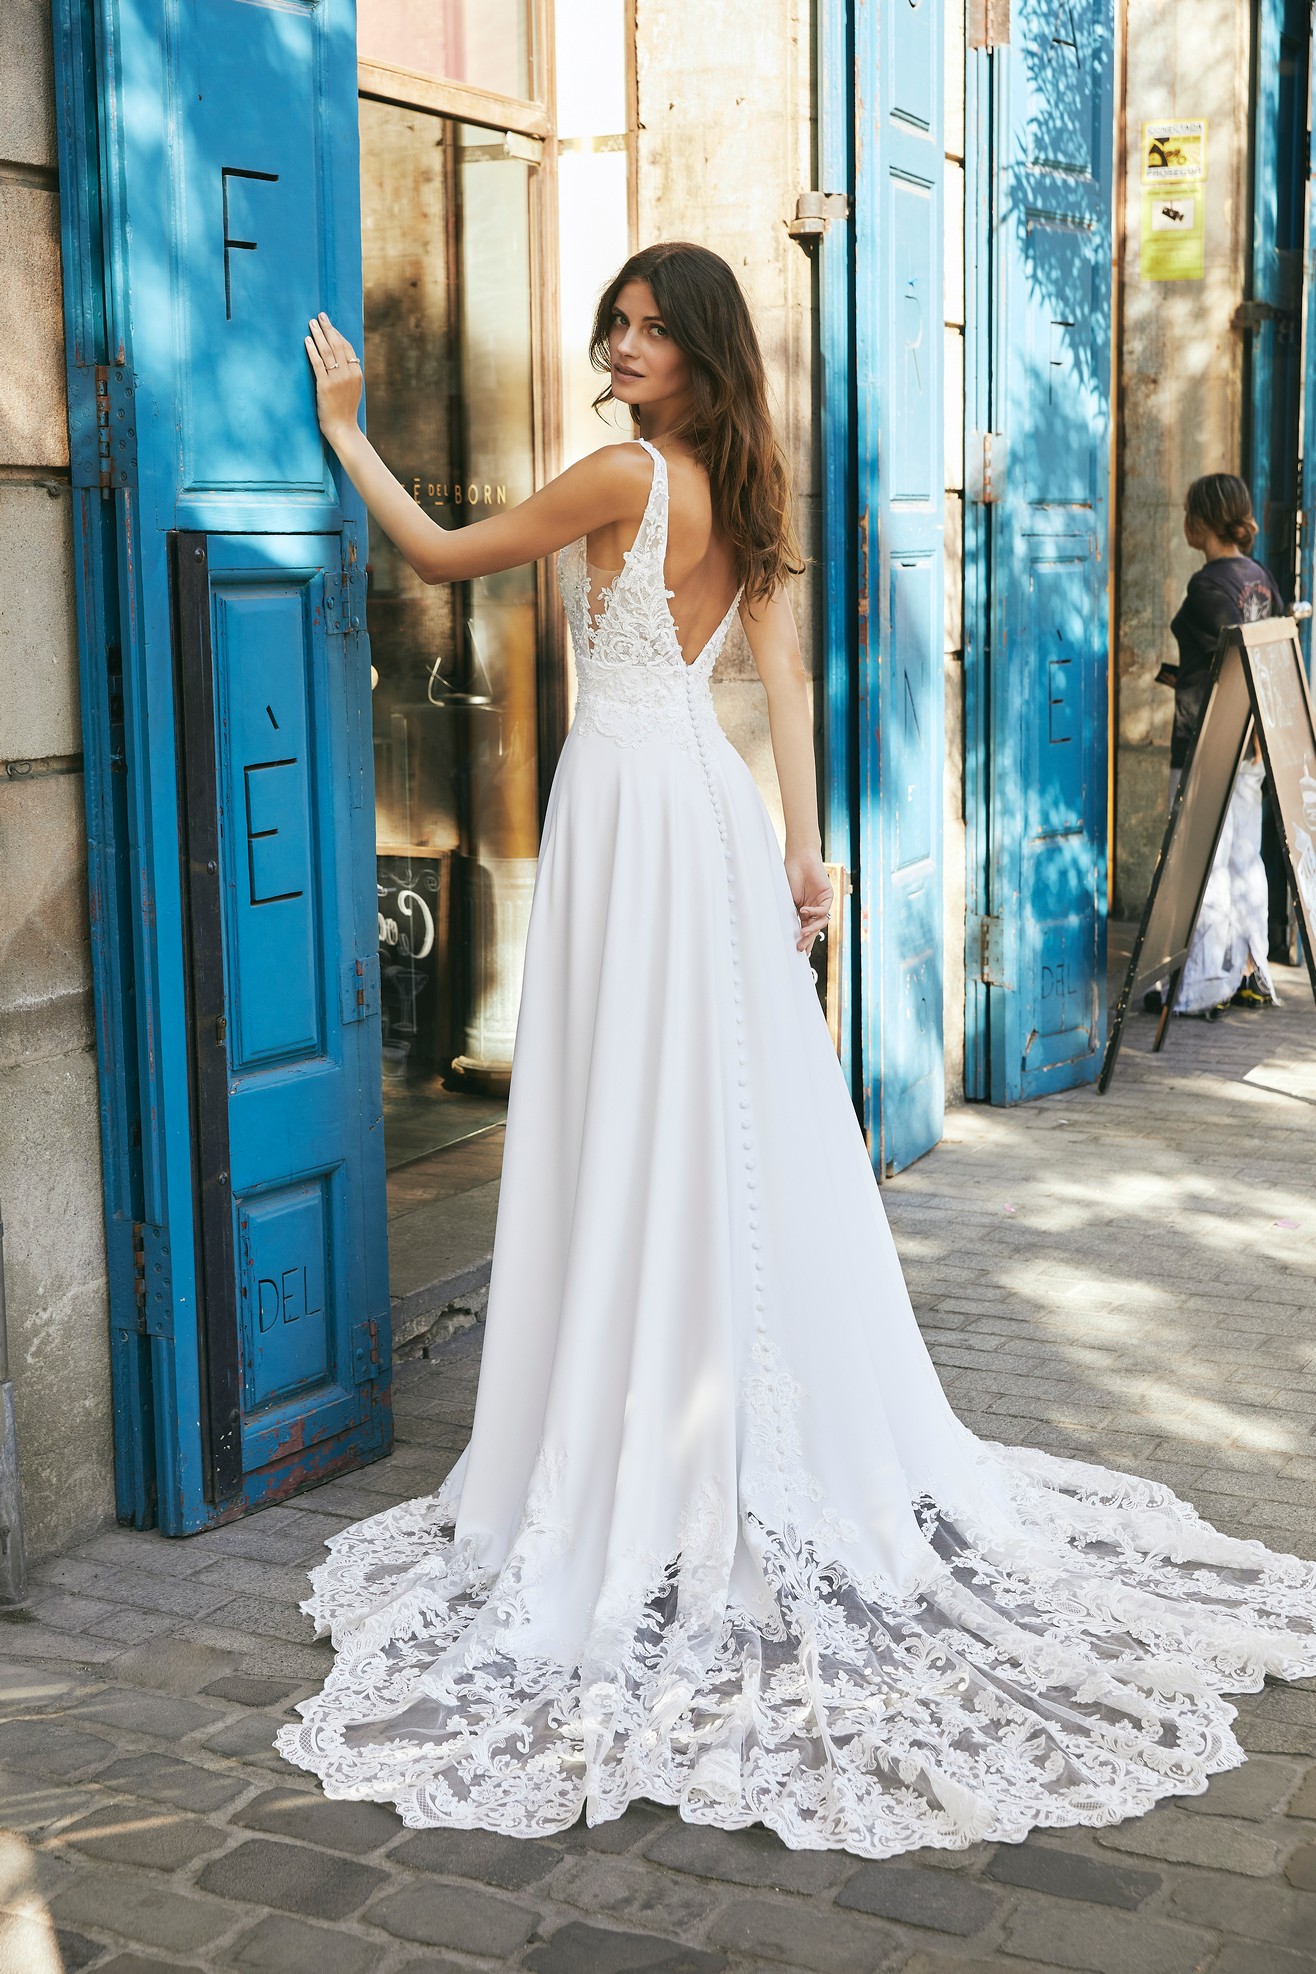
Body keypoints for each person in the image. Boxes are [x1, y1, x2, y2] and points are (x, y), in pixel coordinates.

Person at [278, 246, 1316, 1856]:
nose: (622, 347)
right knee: (709, 1122)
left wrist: (348, 426)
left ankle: (639, 1429)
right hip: (690, 809)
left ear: (698, 354)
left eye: (649, 330)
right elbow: (777, 682)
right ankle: (690, 1405)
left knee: (639, 1118)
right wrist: (806, 853)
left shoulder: (625, 473)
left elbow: (438, 546)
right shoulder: (740, 483)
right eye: (612, 322)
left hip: (629, 813)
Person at [1152, 475, 1283, 1018]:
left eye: (1188, 511)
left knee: (1199, 861)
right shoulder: (1261, 578)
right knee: (1243, 858)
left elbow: (1227, 670)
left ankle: (1206, 984)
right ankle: (1249, 968)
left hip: (1211, 741)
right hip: (1252, 743)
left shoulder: (1208, 588)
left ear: (1201, 522)